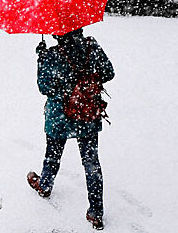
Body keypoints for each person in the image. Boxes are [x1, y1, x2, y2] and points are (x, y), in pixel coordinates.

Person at [27, 28, 114, 230]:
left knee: (53, 153)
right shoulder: (92, 46)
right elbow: (109, 73)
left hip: (60, 116)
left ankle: (45, 185)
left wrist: (41, 57)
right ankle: (96, 212)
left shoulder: (51, 55)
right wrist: (86, 82)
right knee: (91, 163)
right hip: (87, 112)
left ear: (56, 34)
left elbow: (44, 87)